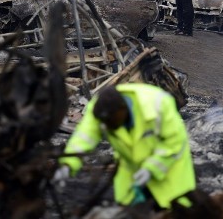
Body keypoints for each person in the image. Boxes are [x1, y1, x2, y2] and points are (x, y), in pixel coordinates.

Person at [54, 84, 196, 209]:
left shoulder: (158, 104)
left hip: (169, 171)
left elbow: (174, 142)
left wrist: (151, 168)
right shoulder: (100, 109)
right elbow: (83, 138)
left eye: (111, 122)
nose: (108, 128)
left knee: (173, 212)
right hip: (131, 174)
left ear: (123, 110)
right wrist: (67, 164)